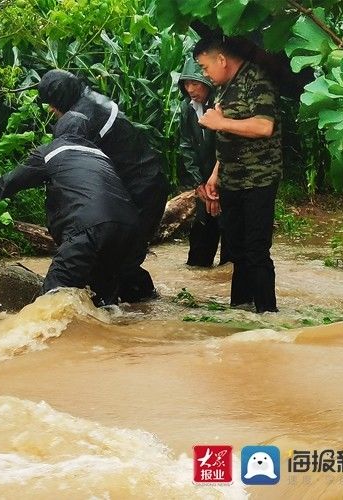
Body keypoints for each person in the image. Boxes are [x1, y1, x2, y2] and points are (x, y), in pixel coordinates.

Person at [0, 111, 139, 306]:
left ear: (59, 131)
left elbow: (15, 180)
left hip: (88, 227)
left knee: (49, 304)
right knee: (105, 302)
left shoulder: (53, 151)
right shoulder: (101, 156)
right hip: (129, 229)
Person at [37, 70, 171, 302]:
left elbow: (66, 171)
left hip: (139, 192)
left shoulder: (78, 120)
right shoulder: (90, 99)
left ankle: (131, 311)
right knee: (118, 257)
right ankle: (143, 307)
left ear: (60, 98)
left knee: (114, 259)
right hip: (144, 185)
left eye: (51, 103)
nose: (50, 110)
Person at [193, 37, 283, 313]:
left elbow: (264, 126)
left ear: (221, 60)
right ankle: (241, 313)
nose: (205, 74)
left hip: (258, 179)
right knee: (236, 252)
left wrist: (221, 122)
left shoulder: (257, 80)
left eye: (205, 67)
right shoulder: (226, 87)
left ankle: (268, 317)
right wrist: (214, 174)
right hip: (231, 179)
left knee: (256, 252)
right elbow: (229, 136)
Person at [177, 57, 230, 267]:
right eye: (186, 84)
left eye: (195, 83)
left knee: (231, 241)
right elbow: (186, 146)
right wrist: (199, 184)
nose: (190, 89)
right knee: (200, 244)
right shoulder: (186, 108)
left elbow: (226, 146)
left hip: (225, 180)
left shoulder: (221, 105)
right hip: (203, 185)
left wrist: (215, 185)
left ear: (206, 83)